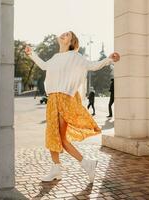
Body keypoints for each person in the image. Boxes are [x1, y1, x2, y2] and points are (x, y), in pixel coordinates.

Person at [25, 31, 120, 183]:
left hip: (64, 100)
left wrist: (109, 59)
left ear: (72, 42)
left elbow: (93, 66)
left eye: (67, 34)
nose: (63, 34)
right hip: (52, 100)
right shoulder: (55, 58)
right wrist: (31, 54)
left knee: (61, 138)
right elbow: (43, 66)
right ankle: (56, 169)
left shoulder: (76, 57)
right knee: (51, 135)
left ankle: (86, 164)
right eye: (63, 33)